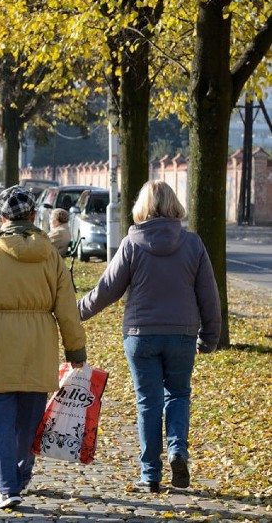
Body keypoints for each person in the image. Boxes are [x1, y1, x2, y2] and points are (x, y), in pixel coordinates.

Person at [0, 185, 87, 510]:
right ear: (33, 216)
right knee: (30, 421)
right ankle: (22, 474)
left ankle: (7, 486)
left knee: (1, 420)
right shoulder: (51, 256)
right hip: (38, 346)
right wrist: (75, 350)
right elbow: (67, 306)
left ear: (2, 220)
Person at [77, 180, 220, 493]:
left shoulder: (132, 244)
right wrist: (210, 336)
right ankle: (177, 451)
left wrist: (74, 314)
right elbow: (209, 296)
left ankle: (150, 475)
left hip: (141, 335)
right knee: (179, 394)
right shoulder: (193, 244)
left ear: (142, 206)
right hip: (182, 334)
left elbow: (105, 291)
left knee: (148, 404)